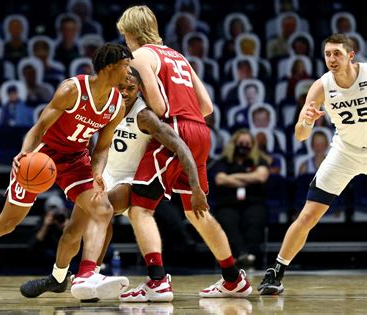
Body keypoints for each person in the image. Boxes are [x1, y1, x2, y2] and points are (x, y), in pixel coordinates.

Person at [0, 43, 133, 302]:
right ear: (110, 66)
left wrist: (97, 172)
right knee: (7, 223)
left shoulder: (117, 104)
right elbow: (40, 126)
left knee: (102, 208)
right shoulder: (72, 90)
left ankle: (86, 273)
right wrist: (25, 153)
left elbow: (102, 147)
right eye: (126, 66)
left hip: (76, 159)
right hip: (43, 157)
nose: (129, 72)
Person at [20, 66, 209, 301]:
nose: (126, 92)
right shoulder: (107, 108)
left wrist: (196, 187)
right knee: (71, 231)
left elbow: (181, 146)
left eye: (131, 88)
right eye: (122, 87)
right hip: (102, 175)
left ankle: (89, 273)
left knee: (103, 207)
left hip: (130, 181)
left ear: (140, 90)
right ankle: (58, 278)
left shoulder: (144, 115)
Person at [116, 5, 252, 301]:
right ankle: (233, 279)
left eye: (124, 35)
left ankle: (157, 281)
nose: (124, 41)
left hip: (175, 131)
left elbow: (160, 108)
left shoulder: (140, 56)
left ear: (132, 33)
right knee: (196, 211)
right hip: (201, 131)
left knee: (139, 208)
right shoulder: (178, 56)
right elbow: (207, 107)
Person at [258, 33, 367, 295]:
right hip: (346, 152)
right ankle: (276, 272)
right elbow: (300, 135)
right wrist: (307, 120)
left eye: (337, 53)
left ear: (351, 55)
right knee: (308, 215)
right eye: (328, 54)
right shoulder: (321, 86)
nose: (332, 59)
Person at [211, 129, 270, 268]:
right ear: (234, 144)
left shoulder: (258, 160)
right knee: (228, 219)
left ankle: (251, 255)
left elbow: (261, 176)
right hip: (229, 203)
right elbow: (219, 179)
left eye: (247, 143)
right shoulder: (224, 161)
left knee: (255, 218)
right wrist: (249, 179)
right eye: (241, 142)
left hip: (253, 201)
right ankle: (240, 255)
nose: (244, 145)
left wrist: (231, 178)